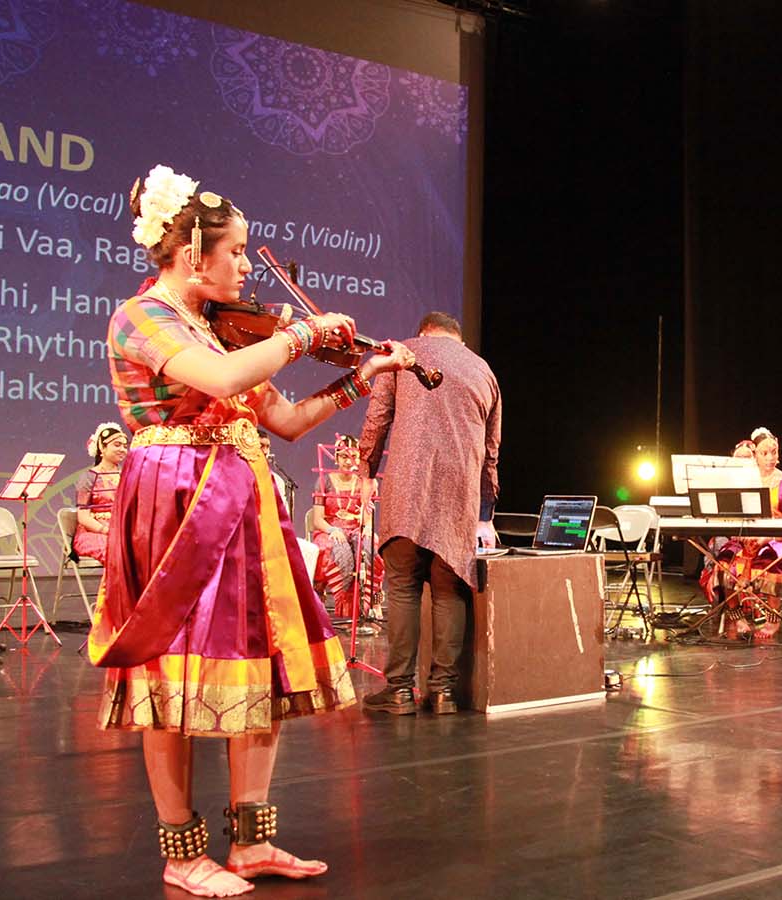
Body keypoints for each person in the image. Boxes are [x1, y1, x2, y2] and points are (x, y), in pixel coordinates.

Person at [87, 164, 416, 898]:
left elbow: (289, 421)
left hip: (241, 506)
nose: (244, 264)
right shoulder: (144, 318)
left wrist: (364, 379)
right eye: (235, 251)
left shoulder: (219, 328)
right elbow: (224, 380)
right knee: (170, 676)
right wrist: (302, 333)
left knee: (261, 664)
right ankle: (181, 853)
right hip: (175, 507)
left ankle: (252, 844)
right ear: (189, 252)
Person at [358, 311, 501, 716]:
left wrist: (366, 470)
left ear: (423, 333)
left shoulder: (399, 355)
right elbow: (491, 452)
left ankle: (400, 690)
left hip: (407, 490)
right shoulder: (483, 370)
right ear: (458, 338)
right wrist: (485, 510)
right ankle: (443, 693)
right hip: (458, 498)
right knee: (447, 591)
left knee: (402, 586)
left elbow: (377, 420)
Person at [700, 426, 782, 642]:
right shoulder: (743, 481)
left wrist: (766, 536)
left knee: (766, 561)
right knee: (725, 563)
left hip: (778, 540)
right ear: (755, 455)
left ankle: (773, 618)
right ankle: (736, 616)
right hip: (747, 539)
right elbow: (734, 516)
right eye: (765, 453)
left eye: (774, 451)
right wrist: (739, 534)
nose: (770, 457)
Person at [309, 434, 382, 627]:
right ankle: (338, 603)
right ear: (336, 458)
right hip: (330, 530)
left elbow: (367, 515)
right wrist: (333, 529)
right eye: (344, 457)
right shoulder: (324, 481)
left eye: (354, 457)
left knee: (370, 546)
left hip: (356, 529)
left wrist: (366, 527)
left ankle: (369, 605)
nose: (349, 461)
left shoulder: (364, 482)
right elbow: (317, 520)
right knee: (335, 549)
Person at [72, 422, 127, 564]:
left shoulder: (127, 475)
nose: (122, 449)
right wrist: (106, 530)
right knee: (117, 550)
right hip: (94, 532)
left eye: (124, 446)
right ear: (102, 448)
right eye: (117, 445)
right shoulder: (88, 478)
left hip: (120, 529)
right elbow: (83, 517)